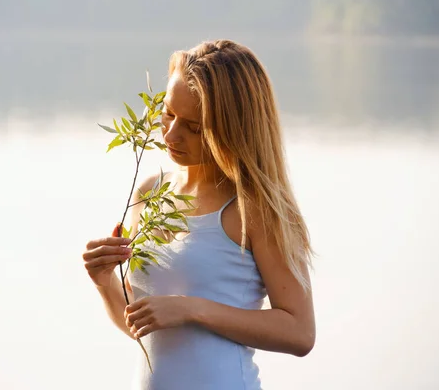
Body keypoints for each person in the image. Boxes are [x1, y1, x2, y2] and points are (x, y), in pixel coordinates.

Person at [82, 39, 316, 390]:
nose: (171, 134)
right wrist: (104, 282)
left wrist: (192, 309)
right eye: (169, 113)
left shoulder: (255, 208)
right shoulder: (149, 193)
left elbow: (300, 332)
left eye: (194, 127)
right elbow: (140, 326)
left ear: (234, 127)